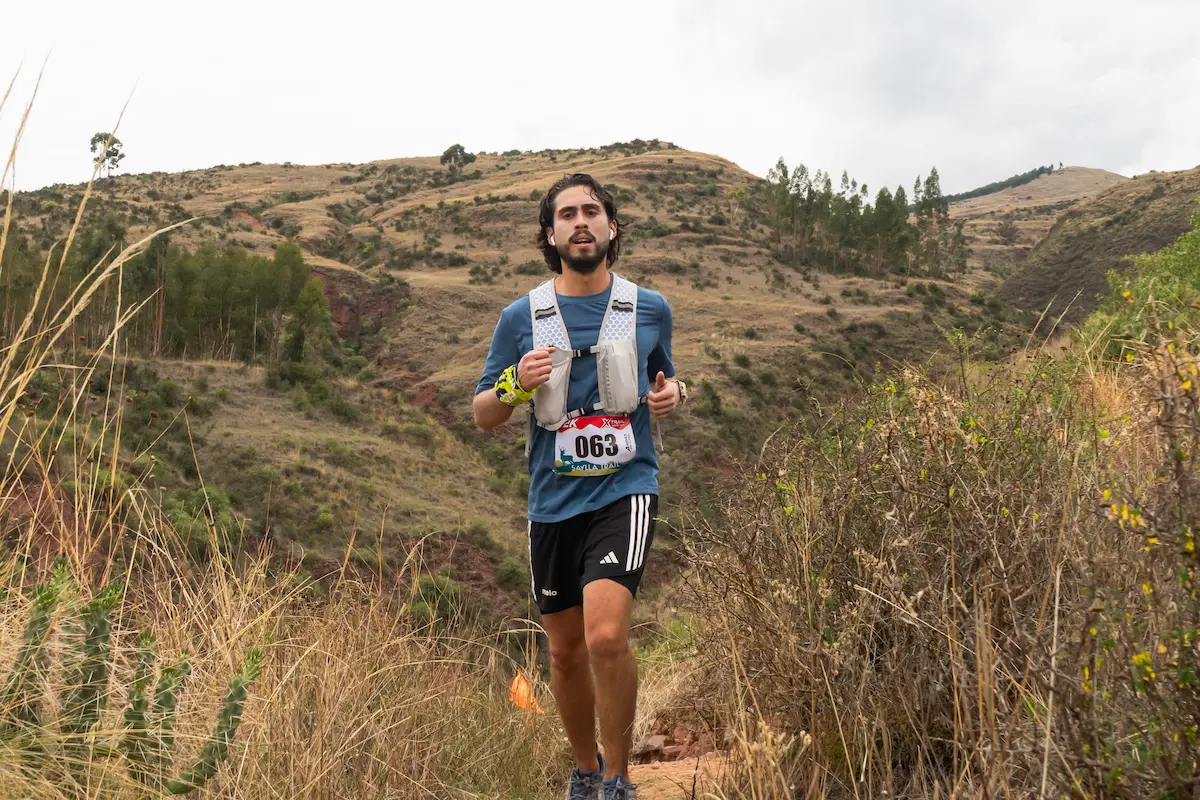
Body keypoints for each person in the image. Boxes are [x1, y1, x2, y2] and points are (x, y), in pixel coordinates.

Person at [473, 173, 686, 800]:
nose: (581, 221)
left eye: (592, 211)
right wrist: (516, 380)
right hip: (552, 501)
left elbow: (668, 379)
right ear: (550, 234)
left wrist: (673, 393)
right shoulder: (522, 317)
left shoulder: (649, 307)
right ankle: (586, 772)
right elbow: (485, 412)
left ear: (611, 228)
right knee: (565, 653)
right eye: (566, 214)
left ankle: (620, 777)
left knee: (605, 636)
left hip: (625, 490)